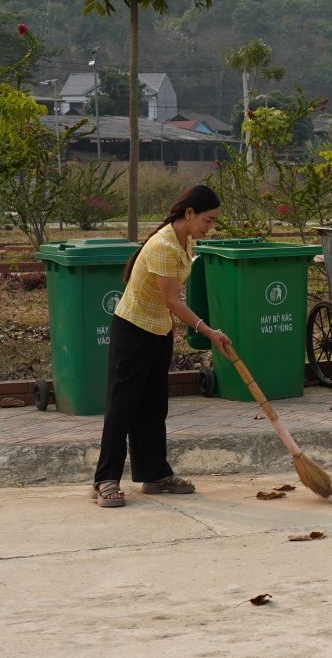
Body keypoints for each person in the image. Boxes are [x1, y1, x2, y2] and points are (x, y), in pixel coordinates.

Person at [91, 185, 232, 507]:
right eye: (208, 220)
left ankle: (155, 474)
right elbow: (173, 301)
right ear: (190, 213)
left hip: (158, 331)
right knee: (122, 406)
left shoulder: (186, 241)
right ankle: (105, 479)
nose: (211, 227)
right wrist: (209, 332)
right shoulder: (164, 245)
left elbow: (170, 301)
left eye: (214, 221)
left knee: (154, 406)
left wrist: (178, 326)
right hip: (132, 330)